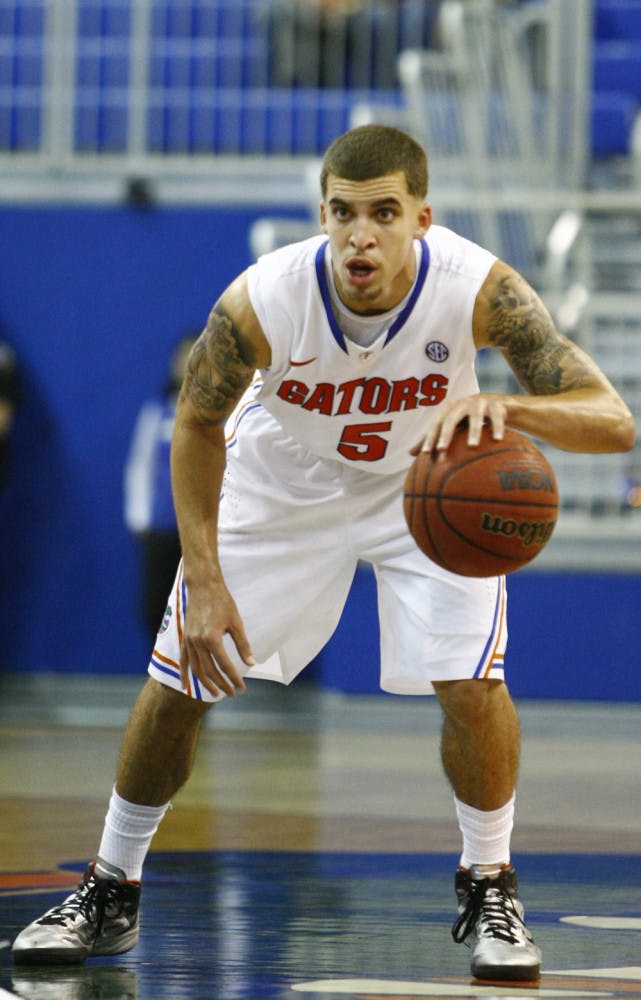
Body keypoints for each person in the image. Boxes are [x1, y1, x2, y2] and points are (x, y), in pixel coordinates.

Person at [12, 125, 635, 981]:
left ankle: (490, 886)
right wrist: (202, 577)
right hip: (284, 478)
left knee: (471, 683)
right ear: (322, 215)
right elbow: (196, 424)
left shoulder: (478, 288)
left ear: (421, 219)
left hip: (425, 479)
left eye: (383, 213)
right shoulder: (264, 298)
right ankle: (109, 887)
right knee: (180, 681)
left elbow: (612, 420)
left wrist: (510, 408)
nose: (360, 235)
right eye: (343, 213)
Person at [124, 334, 198, 643]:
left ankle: (202, 671)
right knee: (157, 606)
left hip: (205, 532)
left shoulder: (229, 414)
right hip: (164, 530)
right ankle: (164, 669)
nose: (190, 363)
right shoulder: (157, 413)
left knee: (200, 609)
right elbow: (140, 464)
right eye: (184, 356)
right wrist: (140, 518)